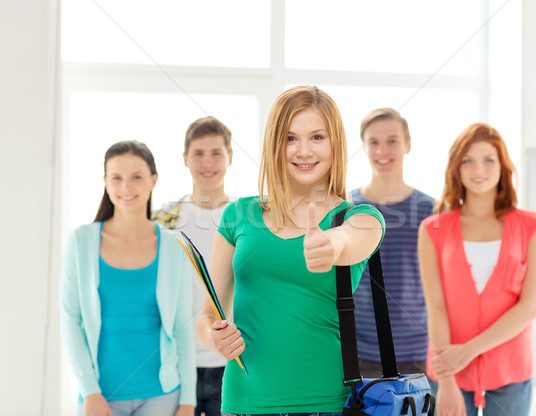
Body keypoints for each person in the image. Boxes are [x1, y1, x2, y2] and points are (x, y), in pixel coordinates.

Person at [195, 85, 385, 415]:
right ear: (274, 144)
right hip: (243, 402)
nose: (304, 151)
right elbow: (208, 315)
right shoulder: (238, 215)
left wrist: (332, 243)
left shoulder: (359, 218)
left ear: (335, 143)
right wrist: (214, 338)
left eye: (317, 137)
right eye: (290, 138)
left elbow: (355, 239)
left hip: (324, 404)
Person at [418, 123, 536, 416]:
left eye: (489, 159)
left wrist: (468, 350)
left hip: (510, 372)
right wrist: (447, 380)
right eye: (468, 160)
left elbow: (527, 308)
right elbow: (436, 306)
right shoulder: (432, 228)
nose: (479, 169)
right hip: (448, 372)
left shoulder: (533, 226)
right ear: (456, 167)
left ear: (502, 166)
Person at [59, 141, 196, 416]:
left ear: (153, 180)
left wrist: (188, 401)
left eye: (137, 177)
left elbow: (183, 326)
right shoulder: (80, 240)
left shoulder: (173, 246)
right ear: (105, 182)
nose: (126, 188)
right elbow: (70, 321)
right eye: (117, 178)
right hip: (100, 396)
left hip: (162, 396)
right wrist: (89, 391)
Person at [154, 116, 233, 416]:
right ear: (185, 159)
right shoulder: (164, 218)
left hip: (230, 362)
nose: (207, 162)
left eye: (216, 153)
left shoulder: (243, 216)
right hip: (175, 363)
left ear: (230, 157)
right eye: (198, 153)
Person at [350, 108, 435, 377]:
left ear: (408, 145)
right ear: (363, 147)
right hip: (358, 352)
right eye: (373, 142)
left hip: (418, 354)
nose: (382, 150)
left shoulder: (431, 211)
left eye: (392, 141)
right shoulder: (347, 209)